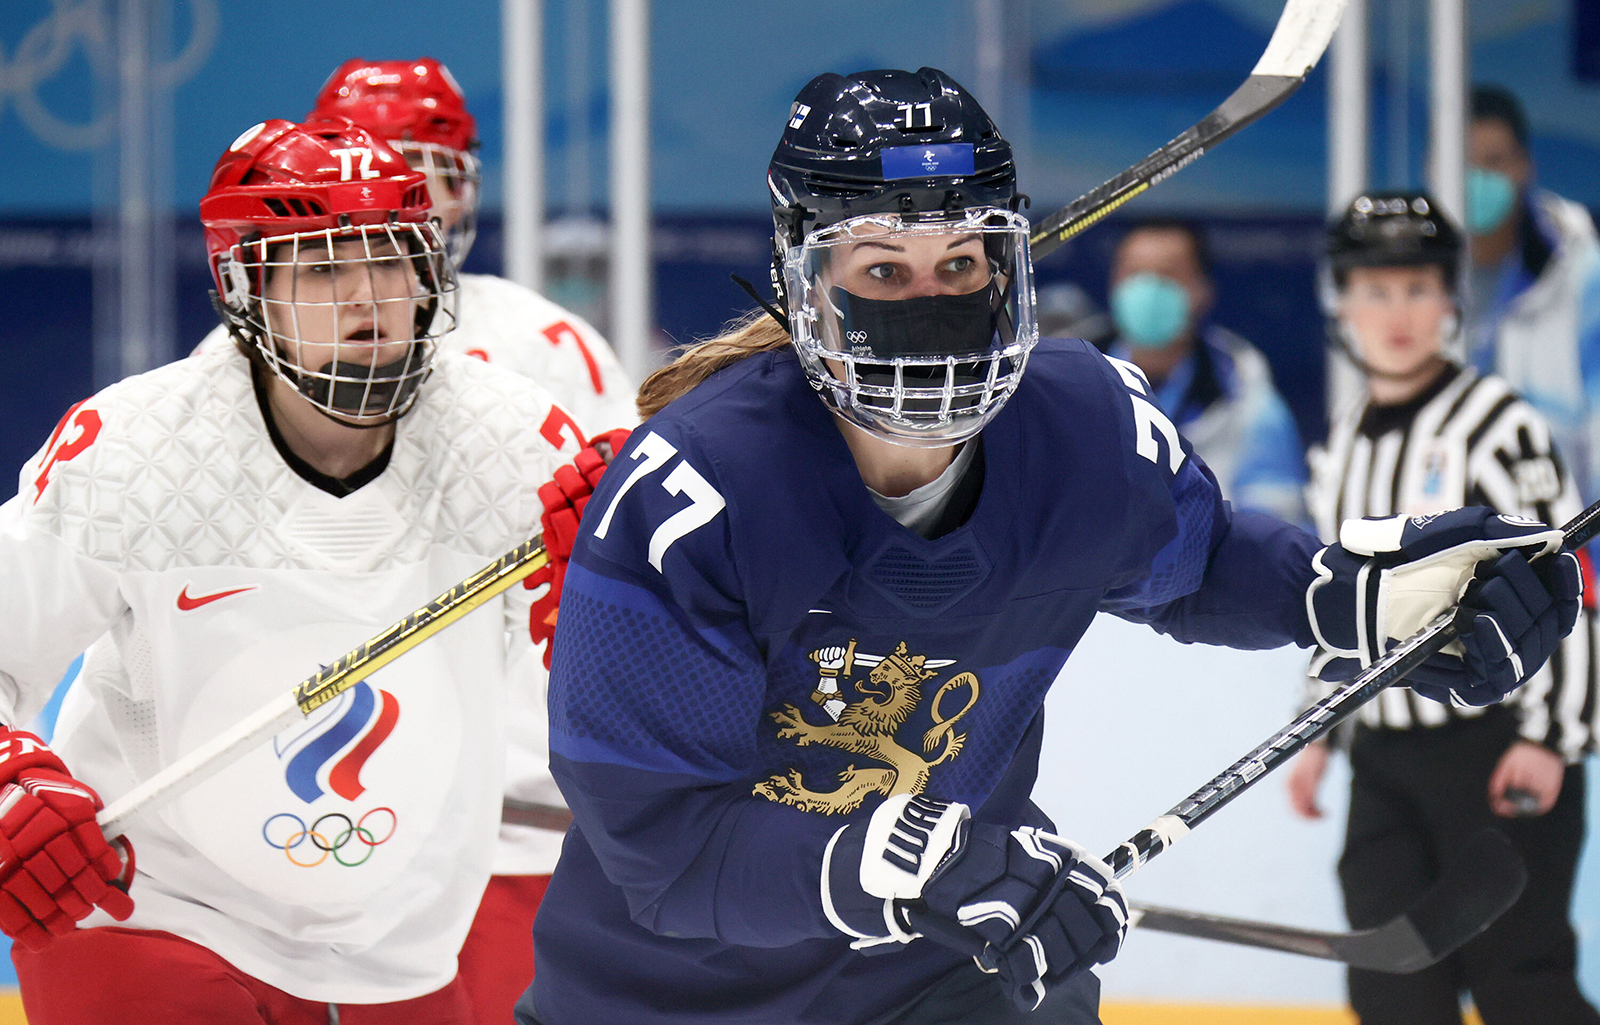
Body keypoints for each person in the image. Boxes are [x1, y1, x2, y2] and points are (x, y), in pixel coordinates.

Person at [519, 69, 1582, 1025]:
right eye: (883, 272)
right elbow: (669, 848)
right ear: (807, 282)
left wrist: (1352, 598)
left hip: (946, 970)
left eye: (962, 261)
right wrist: (911, 856)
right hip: (664, 1001)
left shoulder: (1081, 427)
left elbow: (1200, 564)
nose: (932, 307)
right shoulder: (696, 494)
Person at [0, 117, 582, 1023]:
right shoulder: (135, 454)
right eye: (321, 271)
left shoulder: (514, 444)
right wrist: (7, 782)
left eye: (392, 260)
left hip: (397, 948)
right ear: (246, 293)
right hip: (147, 910)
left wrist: (626, 587)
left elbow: (645, 677)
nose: (369, 298)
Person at [299, 57, 639, 1023]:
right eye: (390, 169)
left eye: (441, 173)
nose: (422, 202)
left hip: (518, 824)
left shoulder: (547, 343)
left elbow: (626, 556)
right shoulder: (259, 349)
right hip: (331, 817)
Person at [1288, 190, 1600, 1025]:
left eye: (1418, 288)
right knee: (1390, 978)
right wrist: (1318, 728)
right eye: (1376, 290)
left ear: (1452, 300)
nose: (1398, 312)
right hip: (1385, 761)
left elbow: (1567, 585)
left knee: (1519, 979)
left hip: (1497, 752)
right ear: (1343, 302)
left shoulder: (1498, 426)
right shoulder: (1341, 440)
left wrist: (1551, 737)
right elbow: (1338, 605)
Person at [1107, 218, 1307, 522]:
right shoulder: (1069, 386)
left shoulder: (1249, 401)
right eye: (1134, 273)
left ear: (1202, 290)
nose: (1147, 289)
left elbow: (1278, 531)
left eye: (1167, 274)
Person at [1462, 84, 1600, 501]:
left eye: (1494, 161)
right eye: (1464, 164)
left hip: (1561, 535)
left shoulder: (1582, 276)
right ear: (1431, 166)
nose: (1478, 179)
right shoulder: (1414, 283)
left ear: (1525, 166)